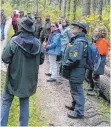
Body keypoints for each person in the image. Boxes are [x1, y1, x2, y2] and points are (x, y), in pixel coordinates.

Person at [1, 17, 45, 126]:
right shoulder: (38, 43)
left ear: (21, 27)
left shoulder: (14, 41)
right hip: (29, 79)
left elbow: (5, 58)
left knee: (6, 102)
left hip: (13, 78)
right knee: (25, 102)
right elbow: (41, 60)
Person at [63, 21, 89, 119]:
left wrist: (66, 64)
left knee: (77, 90)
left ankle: (79, 112)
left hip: (77, 70)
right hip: (75, 70)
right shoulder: (77, 39)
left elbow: (75, 57)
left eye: (75, 26)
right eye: (73, 26)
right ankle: (75, 106)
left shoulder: (79, 42)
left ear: (81, 29)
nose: (72, 27)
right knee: (74, 89)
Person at [87, 27, 110, 96]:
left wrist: (94, 47)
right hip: (94, 60)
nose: (95, 32)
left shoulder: (103, 41)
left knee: (95, 75)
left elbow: (101, 52)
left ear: (100, 32)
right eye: (95, 31)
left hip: (99, 60)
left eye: (97, 31)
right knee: (88, 74)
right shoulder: (95, 39)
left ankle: (96, 91)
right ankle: (91, 86)